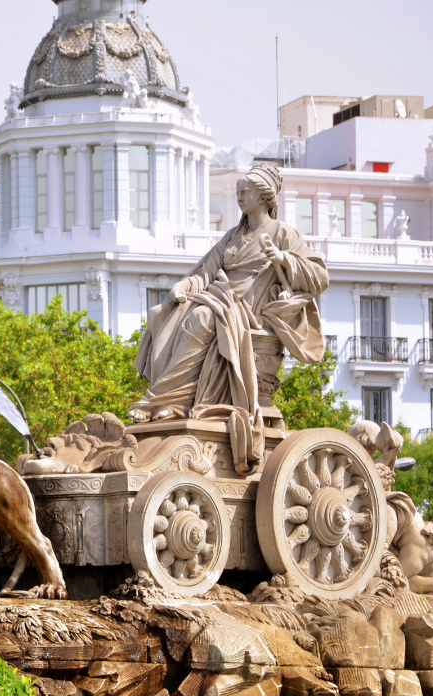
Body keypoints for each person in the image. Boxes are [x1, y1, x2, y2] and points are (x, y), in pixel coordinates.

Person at [129, 163, 328, 473]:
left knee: (202, 317)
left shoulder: (283, 234)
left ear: (263, 197)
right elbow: (207, 272)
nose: (239, 197)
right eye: (238, 192)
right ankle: (169, 402)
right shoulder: (232, 235)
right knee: (161, 314)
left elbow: (319, 276)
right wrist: (185, 286)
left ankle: (165, 401)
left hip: (251, 310)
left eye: (245, 192)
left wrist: (283, 259)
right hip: (220, 296)